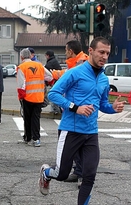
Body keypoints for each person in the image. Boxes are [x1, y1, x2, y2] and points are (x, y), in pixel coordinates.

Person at [39, 37, 125, 205]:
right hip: (70, 130)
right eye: (101, 52)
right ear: (91, 51)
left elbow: (102, 104)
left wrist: (113, 109)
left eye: (107, 53)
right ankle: (46, 172)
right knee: (62, 174)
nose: (104, 56)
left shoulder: (104, 79)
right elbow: (53, 94)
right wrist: (75, 107)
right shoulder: (75, 73)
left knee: (89, 175)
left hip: (91, 134)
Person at [51, 40, 89, 186]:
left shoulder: (81, 62)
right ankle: (79, 172)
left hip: (79, 110)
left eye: (66, 50)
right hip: (76, 109)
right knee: (79, 144)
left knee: (80, 143)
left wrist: (55, 75)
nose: (65, 53)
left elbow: (71, 76)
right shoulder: (78, 60)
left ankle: (81, 174)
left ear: (71, 51)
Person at [16, 48, 52, 147]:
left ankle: (28, 138)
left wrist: (21, 97)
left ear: (21, 57)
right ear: (31, 56)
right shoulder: (39, 65)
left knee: (27, 118)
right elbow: (50, 76)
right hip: (39, 96)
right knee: (36, 118)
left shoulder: (21, 67)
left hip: (27, 97)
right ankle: (36, 139)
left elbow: (21, 85)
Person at [44, 50, 62, 115]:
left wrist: (45, 83)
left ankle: (55, 110)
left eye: (46, 55)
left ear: (48, 56)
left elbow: (46, 74)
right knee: (56, 94)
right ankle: (57, 109)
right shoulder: (54, 61)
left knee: (52, 95)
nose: (45, 57)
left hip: (55, 82)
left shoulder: (50, 63)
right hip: (58, 81)